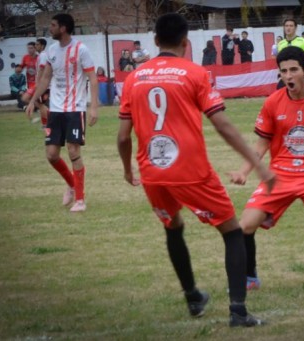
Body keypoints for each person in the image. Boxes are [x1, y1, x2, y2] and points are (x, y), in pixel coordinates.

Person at [117, 13, 275, 327]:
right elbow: (224, 126)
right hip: (190, 170)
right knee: (232, 231)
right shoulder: (195, 73)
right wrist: (259, 165)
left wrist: (127, 169)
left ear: (155, 41)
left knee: (173, 226)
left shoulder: (134, 78)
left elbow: (123, 136)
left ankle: (192, 297)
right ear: (186, 43)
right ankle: (239, 312)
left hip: (152, 171)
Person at [229, 46, 304, 294]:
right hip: (280, 175)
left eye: (293, 70)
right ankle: (250, 276)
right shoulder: (272, 102)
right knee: (245, 226)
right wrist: (244, 171)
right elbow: (262, 142)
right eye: (283, 71)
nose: (288, 76)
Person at [25, 13, 99, 212]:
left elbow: (92, 78)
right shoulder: (51, 50)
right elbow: (45, 79)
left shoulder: (81, 49)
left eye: (53, 25)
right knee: (51, 155)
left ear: (63, 28)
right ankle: (73, 186)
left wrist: (93, 107)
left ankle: (81, 201)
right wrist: (33, 100)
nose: (50, 28)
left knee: (74, 150)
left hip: (75, 109)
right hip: (56, 110)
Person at [276, 18, 304, 89]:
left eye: (291, 26)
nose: (288, 28)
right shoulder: (281, 44)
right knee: (281, 93)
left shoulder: (303, 42)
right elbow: (280, 62)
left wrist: (300, 65)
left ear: (295, 28)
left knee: (302, 97)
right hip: (286, 76)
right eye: (286, 26)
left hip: (301, 75)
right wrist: (279, 74)